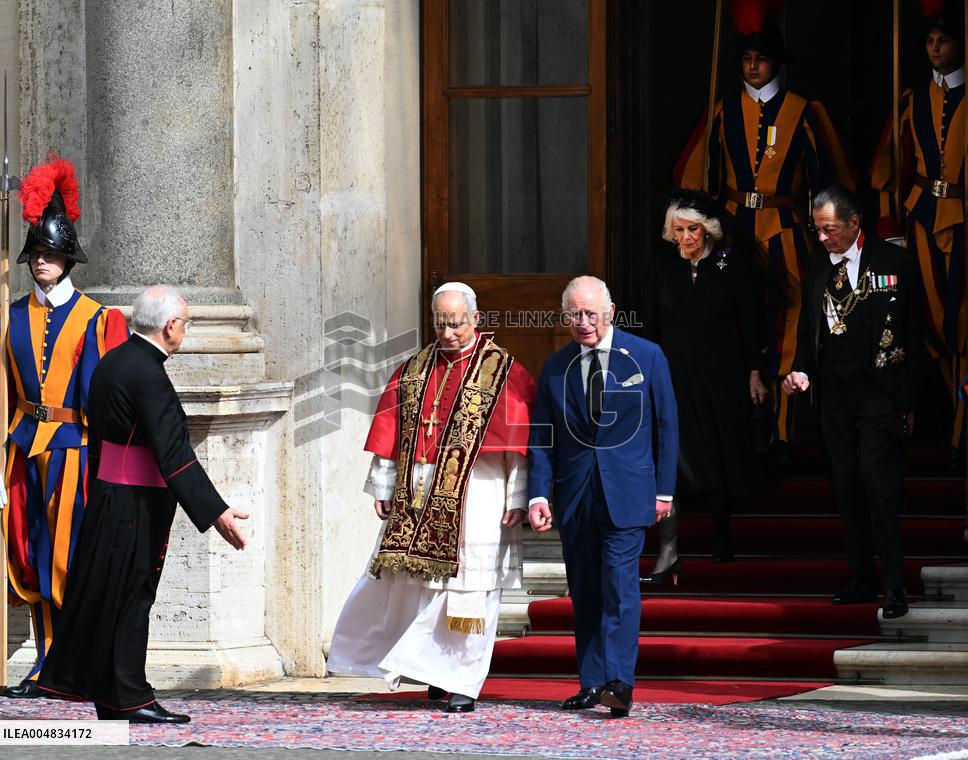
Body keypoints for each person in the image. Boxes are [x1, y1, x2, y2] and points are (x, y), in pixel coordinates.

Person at [37, 285, 249, 723]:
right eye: (185, 323)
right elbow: (174, 454)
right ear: (171, 326)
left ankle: (115, 696)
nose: (185, 330)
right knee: (132, 598)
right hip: (135, 504)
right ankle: (131, 697)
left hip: (109, 496)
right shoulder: (149, 375)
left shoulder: (113, 361)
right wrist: (217, 512)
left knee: (113, 596)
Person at [327, 282, 534, 714]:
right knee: (419, 586)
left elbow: (518, 445)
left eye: (456, 324)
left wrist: (518, 496)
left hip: (479, 494)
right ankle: (435, 672)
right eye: (440, 324)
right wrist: (385, 486)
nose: (448, 333)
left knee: (470, 589)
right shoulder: (415, 369)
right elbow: (393, 433)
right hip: (418, 493)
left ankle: (461, 679)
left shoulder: (503, 372)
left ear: (475, 319)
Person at [0, 155, 128, 697]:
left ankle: (76, 665)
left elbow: (115, 405)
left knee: (70, 558)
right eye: (36, 254)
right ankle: (47, 664)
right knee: (30, 558)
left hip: (77, 452)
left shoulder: (99, 321)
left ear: (67, 259)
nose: (42, 261)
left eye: (51, 254)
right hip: (21, 452)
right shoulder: (6, 317)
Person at [674, 9, 856, 457]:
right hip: (733, 232)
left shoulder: (805, 112)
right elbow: (700, 183)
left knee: (792, 321)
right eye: (747, 58)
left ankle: (784, 427)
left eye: (761, 58)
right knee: (735, 319)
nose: (753, 66)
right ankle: (741, 422)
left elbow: (827, 181)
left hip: (787, 230)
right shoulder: (721, 113)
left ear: (776, 61)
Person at [528, 276, 679, 718]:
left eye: (591, 314)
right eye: (574, 314)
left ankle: (619, 682)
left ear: (610, 312)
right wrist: (538, 495)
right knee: (585, 590)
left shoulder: (646, 356)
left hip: (628, 492)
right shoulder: (555, 367)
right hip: (575, 495)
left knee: (619, 586)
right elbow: (543, 438)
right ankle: (592, 682)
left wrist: (664, 490)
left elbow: (666, 425)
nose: (583, 322)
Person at [783, 186, 922, 620]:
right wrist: (800, 370)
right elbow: (809, 328)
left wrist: (909, 398)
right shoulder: (817, 264)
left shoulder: (893, 261)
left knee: (877, 483)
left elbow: (912, 332)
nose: (822, 238)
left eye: (829, 229)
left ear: (854, 223)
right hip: (834, 396)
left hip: (879, 393)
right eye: (817, 230)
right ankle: (862, 578)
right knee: (846, 485)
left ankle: (895, 586)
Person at [641, 191, 766, 581]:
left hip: (720, 374)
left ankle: (721, 533)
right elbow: (651, 323)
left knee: (717, 449)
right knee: (673, 453)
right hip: (673, 373)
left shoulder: (729, 262)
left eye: (692, 229)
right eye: (678, 230)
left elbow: (749, 320)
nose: (686, 237)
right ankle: (669, 549)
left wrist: (755, 370)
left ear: (708, 229)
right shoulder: (664, 265)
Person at [869, 0, 965, 469]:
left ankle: (961, 429)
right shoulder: (910, 100)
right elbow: (886, 170)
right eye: (929, 41)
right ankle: (957, 415)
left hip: (964, 219)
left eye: (943, 40)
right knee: (933, 327)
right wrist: (891, 230)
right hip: (923, 217)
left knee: (962, 325)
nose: (935, 49)